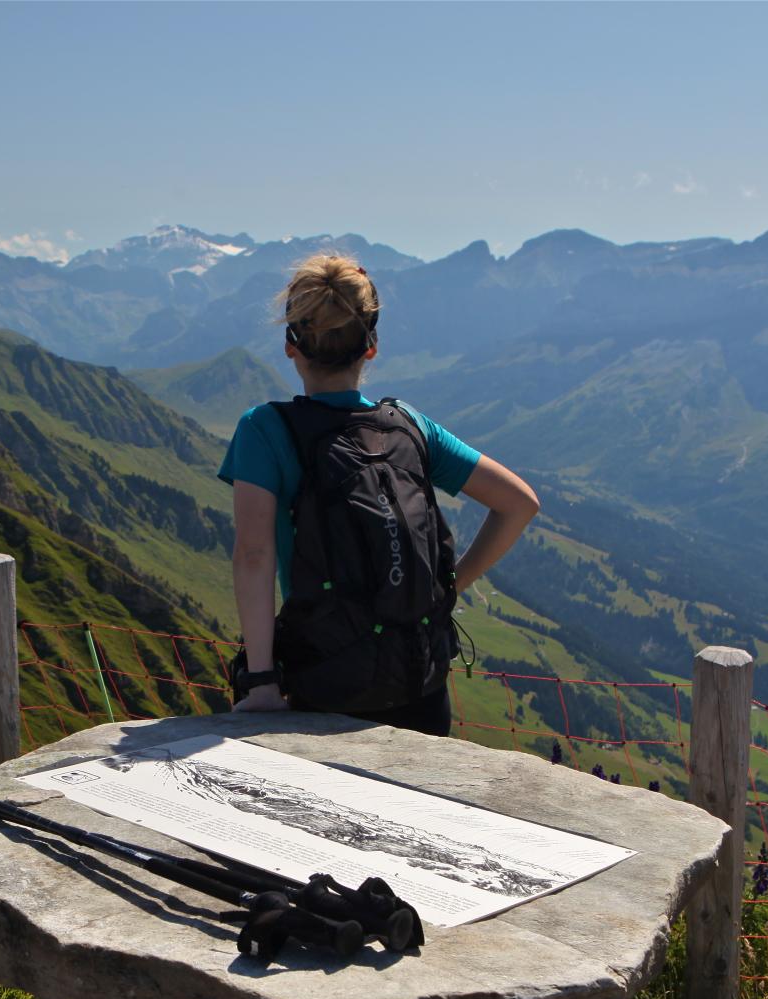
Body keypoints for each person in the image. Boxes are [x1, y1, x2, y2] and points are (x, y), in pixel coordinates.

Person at [220, 253, 540, 736]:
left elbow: (253, 555)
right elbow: (519, 504)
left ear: (291, 345)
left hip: (324, 685)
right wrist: (447, 590)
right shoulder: (409, 426)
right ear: (371, 346)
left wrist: (262, 681)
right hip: (421, 685)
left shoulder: (264, 430)